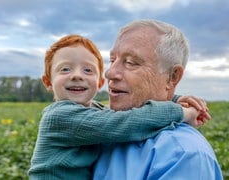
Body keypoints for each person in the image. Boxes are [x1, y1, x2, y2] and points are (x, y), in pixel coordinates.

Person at [28, 34, 209, 179]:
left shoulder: (94, 110)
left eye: (88, 70)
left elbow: (126, 111)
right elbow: (128, 121)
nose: (77, 76)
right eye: (65, 69)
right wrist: (182, 112)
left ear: (99, 82)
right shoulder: (59, 117)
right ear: (48, 82)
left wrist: (173, 99)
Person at [93, 19, 223, 179]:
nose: (110, 73)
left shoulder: (183, 155)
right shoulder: (99, 126)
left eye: (130, 62)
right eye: (112, 60)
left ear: (172, 77)